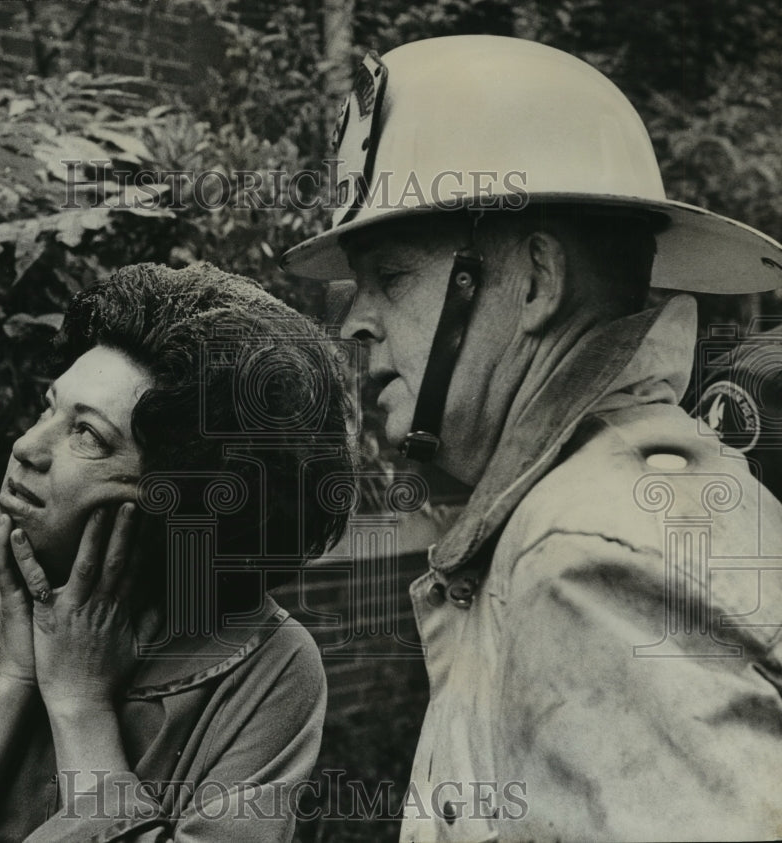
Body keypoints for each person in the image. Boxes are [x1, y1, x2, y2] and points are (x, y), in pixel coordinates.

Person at [283, 35, 782, 842]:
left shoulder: (587, 558)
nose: (354, 322)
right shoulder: (613, 493)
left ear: (538, 282)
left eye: (394, 275)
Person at [0, 262, 354, 842]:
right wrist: (14, 681)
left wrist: (80, 704)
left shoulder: (268, 667)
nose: (26, 447)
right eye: (49, 408)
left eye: (87, 434)